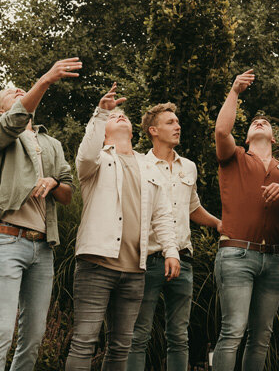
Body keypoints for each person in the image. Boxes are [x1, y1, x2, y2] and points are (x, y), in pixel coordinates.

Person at [67, 84, 180, 371]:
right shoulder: (96, 161)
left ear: (133, 130)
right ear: (103, 130)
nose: (120, 117)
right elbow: (86, 152)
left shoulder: (149, 166)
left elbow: (162, 215)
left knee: (121, 346)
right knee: (84, 341)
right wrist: (101, 113)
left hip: (135, 271)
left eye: (124, 116)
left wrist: (171, 250)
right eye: (114, 117)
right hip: (96, 264)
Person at [0, 59, 78, 371]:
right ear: (0, 110)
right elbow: (15, 119)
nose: (18, 91)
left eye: (20, 89)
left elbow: (68, 192)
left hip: (43, 248)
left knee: (34, 336)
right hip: (6, 242)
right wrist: (45, 79)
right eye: (11, 93)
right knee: (2, 331)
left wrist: (53, 182)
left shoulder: (52, 144)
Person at [212, 69, 279, 371]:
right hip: (236, 255)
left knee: (261, 336)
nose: (259, 122)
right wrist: (235, 91)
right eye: (253, 123)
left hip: (273, 260)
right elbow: (222, 132)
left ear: (273, 137)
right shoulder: (234, 156)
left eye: (265, 123)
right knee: (233, 330)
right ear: (247, 136)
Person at [126, 103, 222, 371]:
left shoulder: (188, 167)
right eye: (170, 122)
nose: (177, 126)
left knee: (179, 337)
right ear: (153, 130)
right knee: (138, 335)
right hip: (147, 260)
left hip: (183, 259)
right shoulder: (139, 165)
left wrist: (217, 223)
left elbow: (193, 208)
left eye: (178, 122)